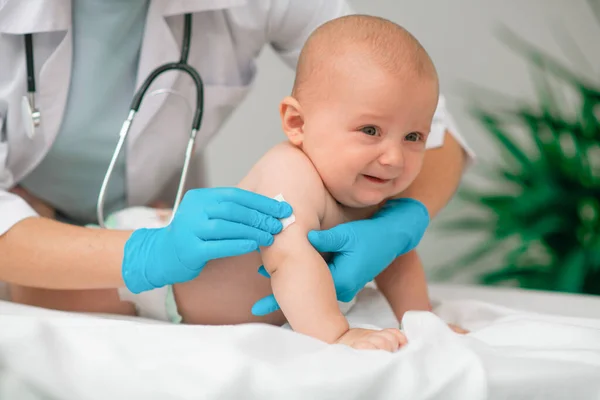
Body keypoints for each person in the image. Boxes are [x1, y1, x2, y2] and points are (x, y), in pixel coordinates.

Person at [10, 15, 466, 351]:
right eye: (370, 131)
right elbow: (289, 261)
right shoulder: (293, 173)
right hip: (157, 283)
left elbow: (396, 257)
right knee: (36, 294)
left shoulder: (370, 183)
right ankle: (40, 211)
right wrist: (337, 336)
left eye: (413, 137)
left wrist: (421, 319)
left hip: (177, 244)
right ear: (296, 122)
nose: (392, 156)